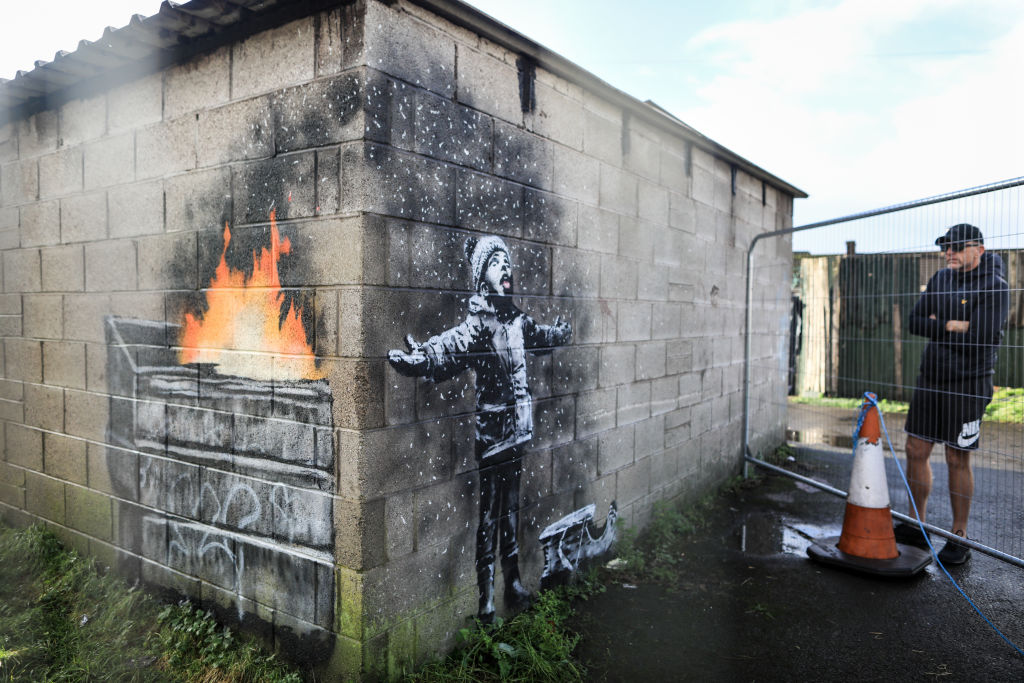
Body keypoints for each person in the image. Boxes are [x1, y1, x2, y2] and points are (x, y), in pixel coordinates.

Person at [387, 234, 572, 622]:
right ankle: (486, 600)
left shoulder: (518, 321)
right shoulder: (480, 324)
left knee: (511, 514)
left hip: (518, 435)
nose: (504, 267)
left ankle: (514, 584)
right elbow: (451, 346)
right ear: (481, 279)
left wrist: (560, 334)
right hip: (492, 440)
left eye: (506, 261)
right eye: (494, 263)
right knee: (489, 518)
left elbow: (540, 338)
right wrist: (421, 358)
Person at [897, 224, 1009, 564]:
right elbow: (914, 322)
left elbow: (983, 338)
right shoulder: (941, 279)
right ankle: (918, 524)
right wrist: (949, 324)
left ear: (979, 250)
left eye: (958, 247)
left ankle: (959, 536)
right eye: (947, 247)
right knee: (915, 448)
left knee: (956, 456)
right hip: (931, 377)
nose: (950, 253)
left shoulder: (995, 286)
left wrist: (946, 324)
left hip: (969, 382)